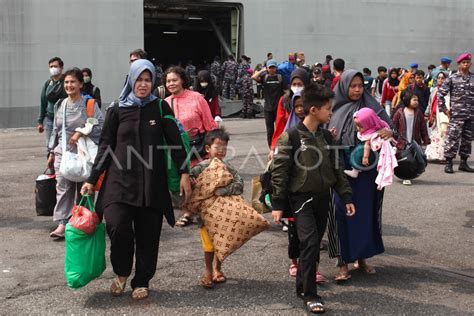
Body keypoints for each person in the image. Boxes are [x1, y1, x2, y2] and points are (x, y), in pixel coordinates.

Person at [81, 59, 191, 300]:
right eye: (139, 79)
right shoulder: (117, 109)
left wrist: (184, 172)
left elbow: (175, 142)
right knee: (117, 226)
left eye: (147, 79)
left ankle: (142, 280)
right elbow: (105, 146)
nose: (143, 84)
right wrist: (92, 178)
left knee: (148, 235)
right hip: (119, 181)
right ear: (131, 80)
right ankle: (121, 273)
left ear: (153, 82)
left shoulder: (160, 108)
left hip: (151, 183)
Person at [271, 83, 356, 314]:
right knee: (309, 244)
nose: (331, 113)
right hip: (300, 200)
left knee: (313, 244)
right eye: (328, 109)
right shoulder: (291, 137)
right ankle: (310, 295)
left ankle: (302, 287)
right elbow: (279, 172)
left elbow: (338, 169)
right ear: (313, 110)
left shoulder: (328, 136)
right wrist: (277, 204)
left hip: (323, 198)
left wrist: (346, 196)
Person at [327, 70, 397, 282]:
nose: (357, 89)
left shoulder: (373, 105)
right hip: (342, 170)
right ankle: (342, 263)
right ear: (344, 86)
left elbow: (391, 128)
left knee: (365, 214)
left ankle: (363, 257)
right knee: (341, 214)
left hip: (368, 173)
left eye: (360, 85)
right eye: (353, 85)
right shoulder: (333, 108)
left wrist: (389, 132)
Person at [47, 68, 103, 238]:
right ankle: (63, 223)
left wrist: (81, 132)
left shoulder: (89, 105)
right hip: (63, 153)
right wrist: (50, 152)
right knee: (63, 188)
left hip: (84, 154)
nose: (69, 85)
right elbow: (55, 131)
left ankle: (82, 222)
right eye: (66, 82)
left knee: (84, 189)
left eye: (72, 82)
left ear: (80, 84)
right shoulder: (60, 104)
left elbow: (100, 127)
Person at [187, 128, 243, 289]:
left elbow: (239, 184)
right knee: (209, 245)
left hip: (225, 213)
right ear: (207, 149)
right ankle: (208, 270)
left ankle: (218, 269)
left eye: (224, 148)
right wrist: (192, 182)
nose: (221, 151)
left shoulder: (228, 167)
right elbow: (188, 178)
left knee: (221, 243)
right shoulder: (201, 167)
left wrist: (223, 190)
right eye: (217, 147)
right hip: (205, 215)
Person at [164, 66, 218, 227]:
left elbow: (209, 124)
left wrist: (214, 147)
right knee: (184, 180)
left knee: (200, 180)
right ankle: (188, 210)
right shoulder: (166, 103)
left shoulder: (197, 98)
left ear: (182, 80)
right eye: (168, 81)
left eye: (174, 80)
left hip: (199, 146)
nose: (171, 84)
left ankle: (191, 212)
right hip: (179, 150)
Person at [343, 108, 397, 191]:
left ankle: (355, 170)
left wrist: (365, 157)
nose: (357, 129)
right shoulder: (376, 123)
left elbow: (367, 145)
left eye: (360, 127)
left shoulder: (369, 132)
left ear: (369, 123)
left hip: (369, 164)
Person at [438, 53, 474, 173]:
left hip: (471, 115)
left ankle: (463, 163)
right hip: (457, 115)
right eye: (463, 62)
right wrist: (443, 109)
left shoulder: (473, 77)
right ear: (459, 64)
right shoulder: (452, 78)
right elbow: (440, 94)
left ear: (471, 63)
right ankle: (449, 163)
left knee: (467, 140)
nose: (466, 64)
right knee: (452, 138)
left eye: (468, 62)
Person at [392, 91, 430, 184]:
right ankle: (405, 176)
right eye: (414, 100)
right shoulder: (400, 112)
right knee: (404, 160)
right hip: (402, 141)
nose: (416, 102)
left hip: (414, 141)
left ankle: (409, 175)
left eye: (417, 100)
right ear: (407, 100)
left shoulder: (418, 113)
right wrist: (392, 139)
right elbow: (393, 126)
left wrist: (425, 139)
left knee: (413, 160)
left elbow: (423, 128)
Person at [270, 68, 310, 152]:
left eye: (300, 84)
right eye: (294, 84)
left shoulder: (312, 99)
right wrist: (274, 147)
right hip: (289, 141)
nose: (296, 87)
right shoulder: (285, 100)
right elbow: (280, 125)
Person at [252, 59, 286, 147]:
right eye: (270, 67)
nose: (272, 69)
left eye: (273, 67)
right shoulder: (265, 78)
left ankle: (280, 146)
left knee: (280, 129)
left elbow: (286, 91)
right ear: (267, 68)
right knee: (270, 131)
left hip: (279, 108)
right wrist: (262, 70)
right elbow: (254, 77)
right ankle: (271, 147)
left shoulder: (280, 78)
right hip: (268, 109)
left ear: (276, 68)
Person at [38, 57, 67, 147]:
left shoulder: (67, 82)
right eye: (51, 66)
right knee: (50, 145)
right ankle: (50, 159)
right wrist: (40, 121)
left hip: (65, 119)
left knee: (65, 145)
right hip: (50, 119)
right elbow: (43, 102)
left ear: (61, 68)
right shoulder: (48, 83)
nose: (53, 68)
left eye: (55, 66)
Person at [425, 72, 450, 162]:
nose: (440, 80)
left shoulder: (449, 90)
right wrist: (427, 114)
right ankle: (433, 156)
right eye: (439, 78)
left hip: (444, 117)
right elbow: (430, 103)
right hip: (435, 116)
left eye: (442, 78)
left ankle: (443, 157)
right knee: (435, 136)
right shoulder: (434, 90)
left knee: (443, 135)